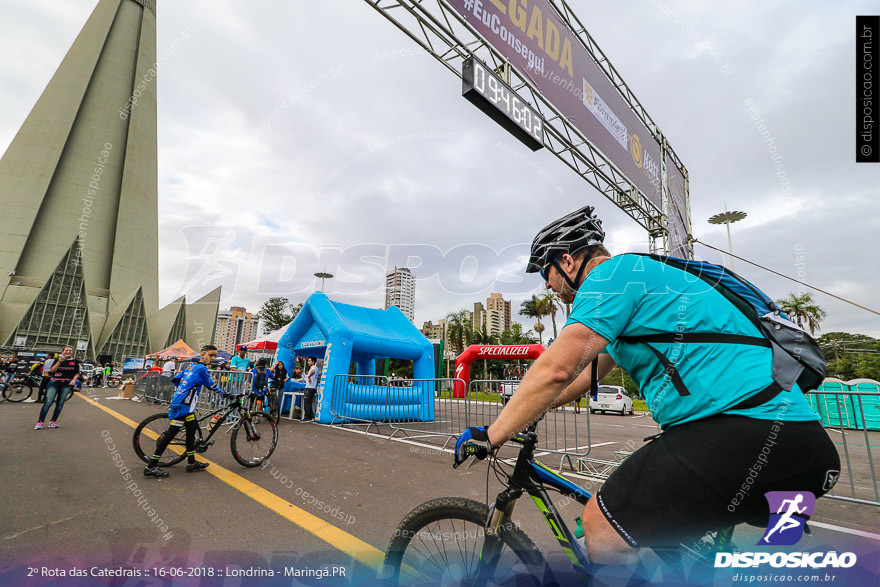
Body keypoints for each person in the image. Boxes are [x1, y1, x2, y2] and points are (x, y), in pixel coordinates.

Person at [455, 206, 840, 568]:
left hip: (739, 431)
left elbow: (557, 368)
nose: (548, 285)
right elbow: (582, 377)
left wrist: (492, 434)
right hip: (804, 446)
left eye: (546, 272)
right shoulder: (646, 289)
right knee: (663, 539)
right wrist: (529, 409)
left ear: (568, 261)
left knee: (602, 526)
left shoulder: (611, 276)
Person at [143, 345, 226, 477]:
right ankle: (151, 466)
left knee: (191, 431)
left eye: (215, 355)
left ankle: (192, 462)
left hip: (183, 404)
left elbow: (175, 379)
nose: (213, 358)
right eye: (211, 355)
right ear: (202, 354)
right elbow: (211, 385)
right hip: (183, 405)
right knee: (170, 434)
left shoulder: (191, 366)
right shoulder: (201, 369)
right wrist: (225, 394)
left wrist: (183, 389)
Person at [34, 346, 80, 429]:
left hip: (66, 384)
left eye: (70, 350)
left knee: (60, 403)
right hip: (54, 382)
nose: (68, 352)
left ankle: (53, 421)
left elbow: (77, 373)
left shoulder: (75, 361)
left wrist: (74, 380)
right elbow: (52, 371)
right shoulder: (57, 359)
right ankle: (40, 422)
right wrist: (59, 362)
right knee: (48, 402)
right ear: (62, 352)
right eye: (66, 350)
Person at [302, 357, 318, 421]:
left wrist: (309, 376)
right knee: (308, 403)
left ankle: (308, 417)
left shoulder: (314, 367)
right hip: (311, 387)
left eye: (309, 361)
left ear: (313, 362)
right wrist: (307, 375)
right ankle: (310, 417)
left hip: (309, 388)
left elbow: (313, 372)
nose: (308, 362)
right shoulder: (313, 368)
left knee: (307, 403)